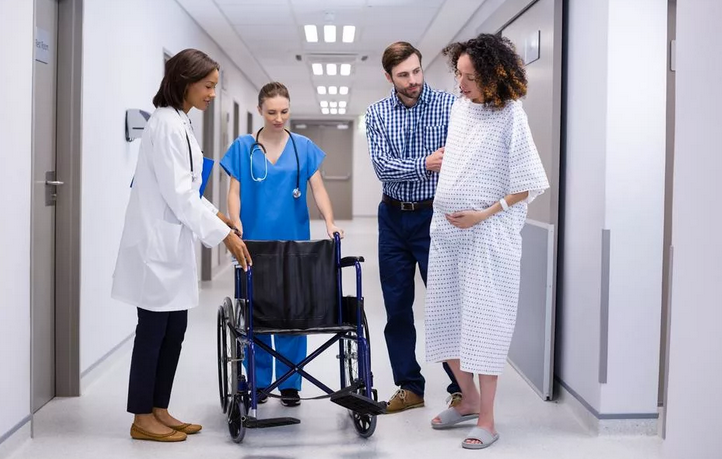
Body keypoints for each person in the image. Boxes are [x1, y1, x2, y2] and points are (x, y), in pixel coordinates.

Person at [112, 49, 252, 442]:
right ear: (184, 82)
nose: (211, 93)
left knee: (174, 332)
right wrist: (221, 234)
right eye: (207, 86)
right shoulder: (165, 125)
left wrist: (218, 217)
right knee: (153, 333)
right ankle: (142, 418)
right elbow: (178, 195)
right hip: (156, 247)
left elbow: (189, 188)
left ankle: (159, 409)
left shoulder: (180, 122)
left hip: (172, 245)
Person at [424, 34, 549, 449]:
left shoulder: (511, 115)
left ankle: (489, 420)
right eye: (458, 75)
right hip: (447, 237)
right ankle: (468, 400)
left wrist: (481, 214)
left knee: (484, 327)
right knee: (444, 323)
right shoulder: (461, 109)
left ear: (494, 76)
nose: (461, 84)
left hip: (488, 237)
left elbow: (527, 184)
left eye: (470, 77)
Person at [220, 81, 343, 407]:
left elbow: (318, 189)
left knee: (292, 312)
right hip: (254, 243)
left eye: (284, 111)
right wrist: (235, 220)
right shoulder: (244, 147)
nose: (278, 117)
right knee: (257, 314)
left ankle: (291, 382)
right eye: (271, 112)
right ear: (260, 110)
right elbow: (234, 190)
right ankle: (258, 381)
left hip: (294, 242)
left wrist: (329, 222)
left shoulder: (302, 146)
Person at [365, 41, 461, 414]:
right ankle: (409, 386)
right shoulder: (376, 113)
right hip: (392, 219)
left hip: (434, 217)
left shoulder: (450, 106)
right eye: (403, 75)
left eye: (417, 71)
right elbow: (383, 169)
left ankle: (459, 387)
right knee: (397, 307)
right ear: (389, 77)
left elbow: (457, 161)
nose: (413, 80)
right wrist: (425, 163)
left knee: (444, 306)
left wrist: (424, 165)